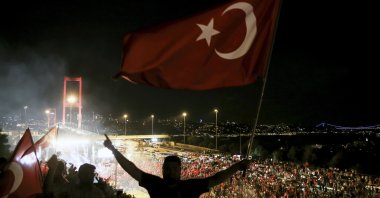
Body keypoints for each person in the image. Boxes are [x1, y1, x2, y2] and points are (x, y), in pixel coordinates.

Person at [103, 134, 251, 198]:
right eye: (167, 169)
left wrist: (237, 167)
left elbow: (216, 178)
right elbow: (132, 168)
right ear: (162, 170)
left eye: (174, 169)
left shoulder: (190, 187)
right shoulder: (155, 184)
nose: (170, 172)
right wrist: (114, 151)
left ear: (180, 170)